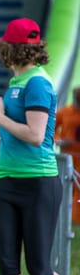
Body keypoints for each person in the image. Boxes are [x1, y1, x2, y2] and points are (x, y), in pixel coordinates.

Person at [0, 18, 72, 275]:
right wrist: (1, 140)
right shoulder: (16, 83)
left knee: (40, 270)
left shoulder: (37, 83)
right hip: (6, 182)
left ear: (9, 49)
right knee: (7, 267)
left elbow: (35, 136)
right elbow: (31, 133)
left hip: (38, 184)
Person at [55, 85, 80, 225]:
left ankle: (75, 220)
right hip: (67, 157)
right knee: (65, 186)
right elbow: (51, 128)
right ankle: (65, 218)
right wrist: (58, 140)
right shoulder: (65, 112)